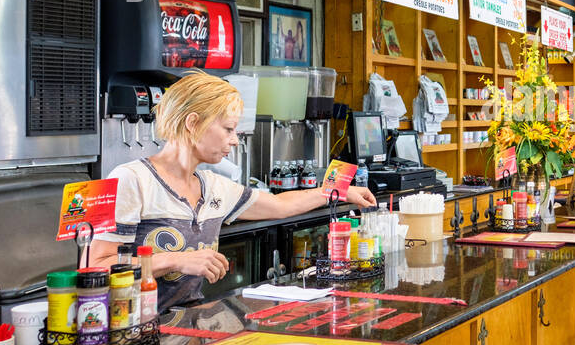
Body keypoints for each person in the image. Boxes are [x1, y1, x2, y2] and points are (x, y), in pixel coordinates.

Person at [92, 72, 378, 311]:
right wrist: (176, 260)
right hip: (134, 332)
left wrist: (340, 191)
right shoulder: (130, 180)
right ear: (192, 123)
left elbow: (278, 205)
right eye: (228, 129)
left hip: (191, 326)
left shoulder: (213, 186)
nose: (234, 140)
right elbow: (95, 268)